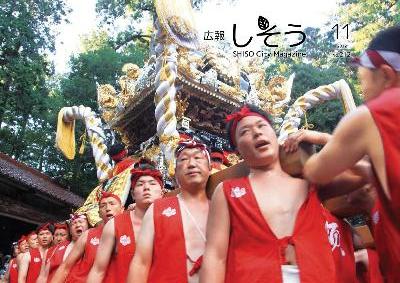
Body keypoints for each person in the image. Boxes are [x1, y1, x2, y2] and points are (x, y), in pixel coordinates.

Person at [200, 105, 359, 283]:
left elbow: (368, 169)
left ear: (276, 136)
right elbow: (215, 257)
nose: (257, 133)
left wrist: (321, 138)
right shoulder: (227, 192)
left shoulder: (310, 181)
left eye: (262, 126)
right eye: (245, 131)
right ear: (237, 150)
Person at [303, 26, 400, 282]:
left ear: (387, 75)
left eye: (363, 81)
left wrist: (305, 142)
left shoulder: (374, 114)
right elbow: (373, 169)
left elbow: (315, 171)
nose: (363, 91)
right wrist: (327, 138)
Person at [127, 140, 211, 283]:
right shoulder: (158, 209)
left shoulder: (222, 206)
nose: (191, 164)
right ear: (175, 173)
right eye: (183, 159)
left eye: (198, 158)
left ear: (210, 168)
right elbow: (141, 262)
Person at [87, 159, 164, 283]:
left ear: (162, 192)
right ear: (133, 194)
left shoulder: (173, 220)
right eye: (140, 184)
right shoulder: (114, 225)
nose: (146, 188)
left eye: (152, 183)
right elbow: (98, 270)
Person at [51, 191, 124, 283]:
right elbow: (65, 267)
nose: (108, 208)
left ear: (122, 209)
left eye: (112, 204)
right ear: (99, 214)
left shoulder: (133, 231)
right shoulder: (88, 235)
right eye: (103, 206)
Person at [36, 214, 89, 283]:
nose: (78, 225)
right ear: (70, 231)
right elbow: (43, 276)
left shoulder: (96, 244)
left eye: (81, 222)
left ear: (88, 226)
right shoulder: (56, 249)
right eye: (74, 223)